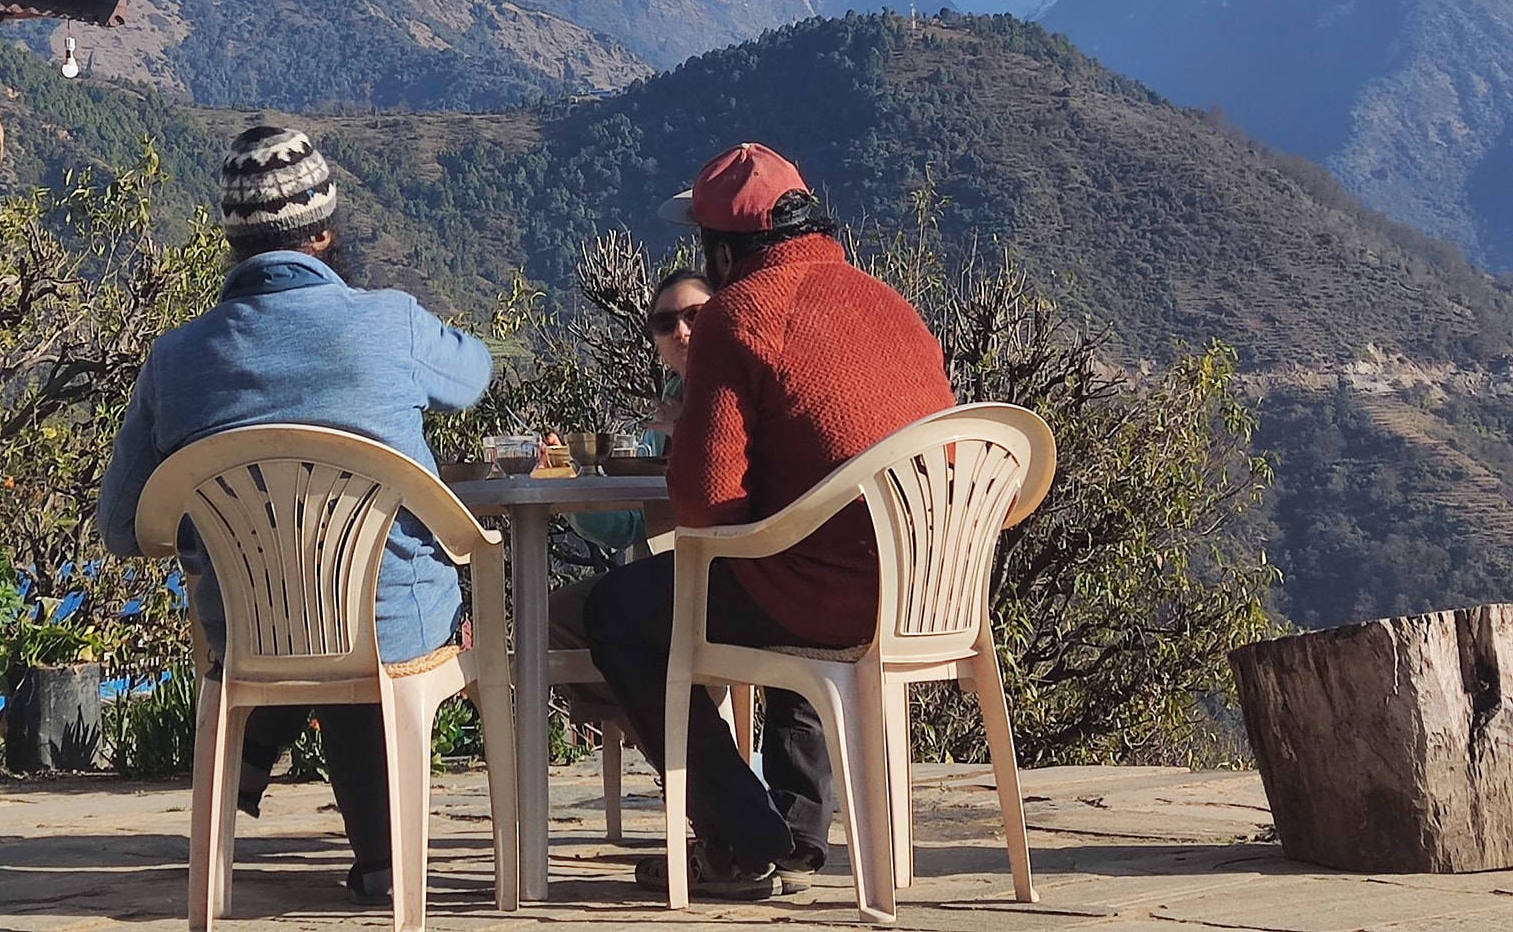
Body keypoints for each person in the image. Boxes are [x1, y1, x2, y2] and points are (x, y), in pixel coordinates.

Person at [96, 125, 493, 907]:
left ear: (234, 242)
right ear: (324, 232)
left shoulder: (175, 358)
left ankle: (260, 770)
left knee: (300, 602)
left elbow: (119, 525)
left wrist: (228, 536)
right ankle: (387, 862)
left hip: (247, 630)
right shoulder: (392, 323)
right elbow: (475, 374)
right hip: (394, 623)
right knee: (360, 601)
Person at [583, 143, 957, 900]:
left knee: (614, 613)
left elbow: (705, 503)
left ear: (723, 252)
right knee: (791, 556)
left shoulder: (738, 314)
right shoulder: (890, 303)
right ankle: (794, 835)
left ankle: (741, 836)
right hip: (930, 588)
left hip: (827, 596)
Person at [545, 268, 712, 702]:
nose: (680, 330)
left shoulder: (732, 392)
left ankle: (693, 754)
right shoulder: (671, 400)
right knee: (556, 615)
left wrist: (692, 432)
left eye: (695, 315)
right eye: (665, 322)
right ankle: (676, 751)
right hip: (679, 574)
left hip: (729, 576)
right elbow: (629, 524)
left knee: (576, 615)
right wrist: (569, 482)